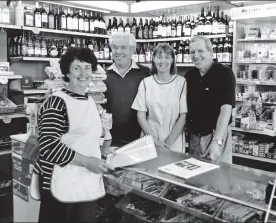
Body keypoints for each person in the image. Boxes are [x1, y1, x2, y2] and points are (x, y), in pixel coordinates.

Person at [32, 47, 114, 223]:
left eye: (87, 67)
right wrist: (88, 161)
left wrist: (104, 152)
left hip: (84, 180)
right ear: (67, 72)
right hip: (59, 180)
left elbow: (83, 138)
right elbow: (48, 146)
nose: (83, 73)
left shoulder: (90, 101)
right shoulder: (56, 102)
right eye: (77, 67)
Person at [185, 36, 236, 163]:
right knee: (195, 178)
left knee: (219, 178)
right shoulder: (189, 76)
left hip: (217, 135)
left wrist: (217, 142)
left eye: (200, 51)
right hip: (195, 138)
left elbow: (226, 109)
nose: (196, 55)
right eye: (192, 52)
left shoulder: (224, 73)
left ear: (211, 52)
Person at [132, 43, 187, 153]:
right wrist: (154, 140)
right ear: (153, 59)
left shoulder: (181, 83)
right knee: (149, 169)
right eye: (159, 57)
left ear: (172, 60)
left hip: (174, 142)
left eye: (167, 57)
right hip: (150, 140)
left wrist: (168, 143)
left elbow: (183, 117)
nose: (162, 61)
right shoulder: (146, 83)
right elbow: (141, 116)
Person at [103, 32, 150, 144]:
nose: (118, 52)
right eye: (115, 47)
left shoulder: (146, 73)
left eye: (123, 47)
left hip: (139, 139)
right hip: (110, 141)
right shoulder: (103, 76)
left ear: (133, 49)